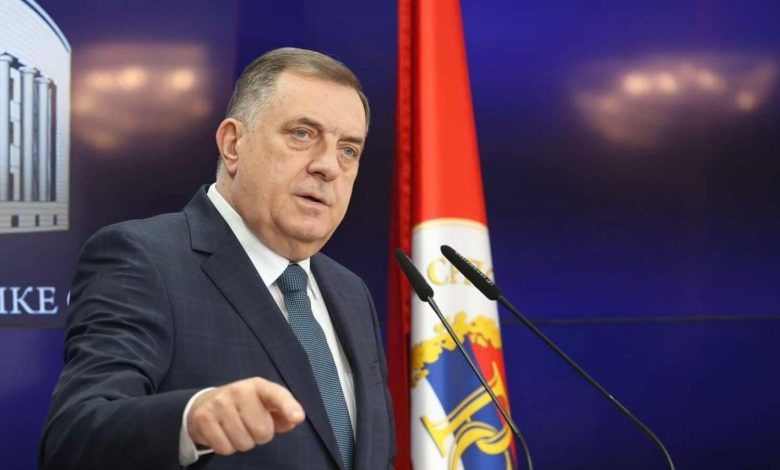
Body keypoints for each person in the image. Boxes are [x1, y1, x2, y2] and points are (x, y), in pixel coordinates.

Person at [40, 47, 395, 470]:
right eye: (303, 134)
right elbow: (73, 438)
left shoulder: (351, 293)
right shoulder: (144, 258)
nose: (328, 167)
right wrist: (192, 421)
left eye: (348, 150)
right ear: (233, 144)